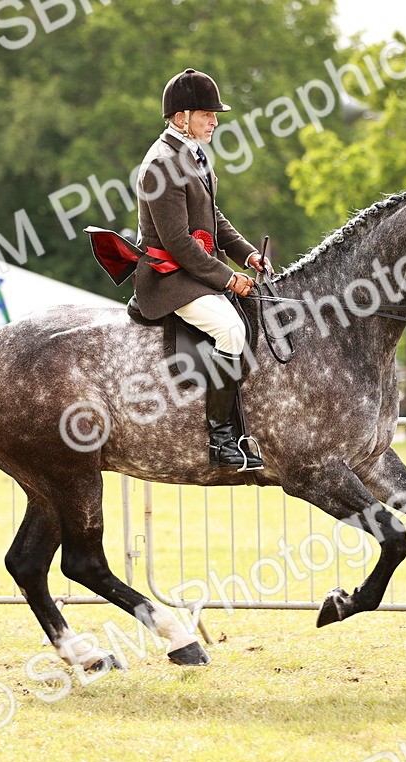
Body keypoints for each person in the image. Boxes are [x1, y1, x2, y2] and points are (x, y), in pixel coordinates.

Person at [133, 68, 270, 471]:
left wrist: (246, 256)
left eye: (214, 114)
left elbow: (215, 219)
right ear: (181, 118)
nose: (215, 120)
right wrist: (228, 278)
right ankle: (221, 441)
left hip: (196, 272)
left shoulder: (193, 156)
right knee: (230, 329)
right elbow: (177, 242)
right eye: (207, 114)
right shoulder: (160, 165)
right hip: (170, 278)